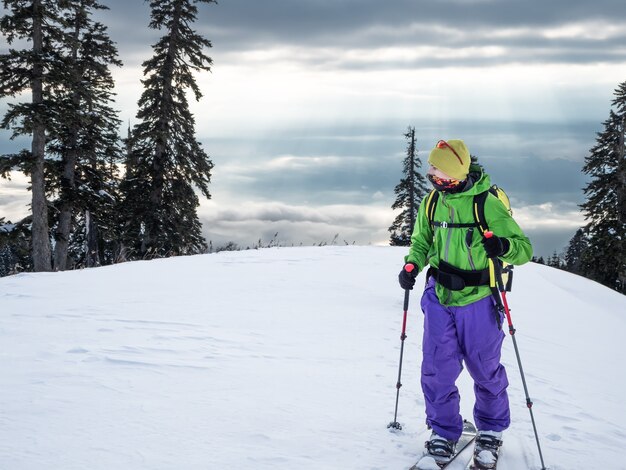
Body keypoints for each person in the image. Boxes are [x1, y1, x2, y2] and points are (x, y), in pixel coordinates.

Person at [398, 139, 532, 465]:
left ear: (456, 170)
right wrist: (412, 264)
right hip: (439, 296)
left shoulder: (486, 204)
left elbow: (523, 249)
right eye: (430, 168)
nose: (431, 174)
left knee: (485, 370)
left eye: (437, 169)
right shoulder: (432, 202)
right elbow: (422, 240)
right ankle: (443, 431)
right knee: (436, 369)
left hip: (479, 300)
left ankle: (491, 431)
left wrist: (502, 246)